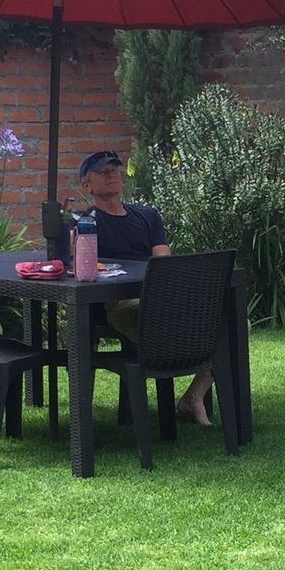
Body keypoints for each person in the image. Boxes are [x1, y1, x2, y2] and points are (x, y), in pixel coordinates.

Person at [73, 148, 213, 426]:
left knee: (234, 323)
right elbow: (78, 267)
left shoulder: (148, 216)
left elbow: (164, 262)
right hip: (119, 303)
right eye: (102, 171)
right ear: (87, 185)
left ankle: (193, 397)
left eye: (114, 169)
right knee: (159, 321)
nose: (111, 174)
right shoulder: (84, 223)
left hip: (160, 297)